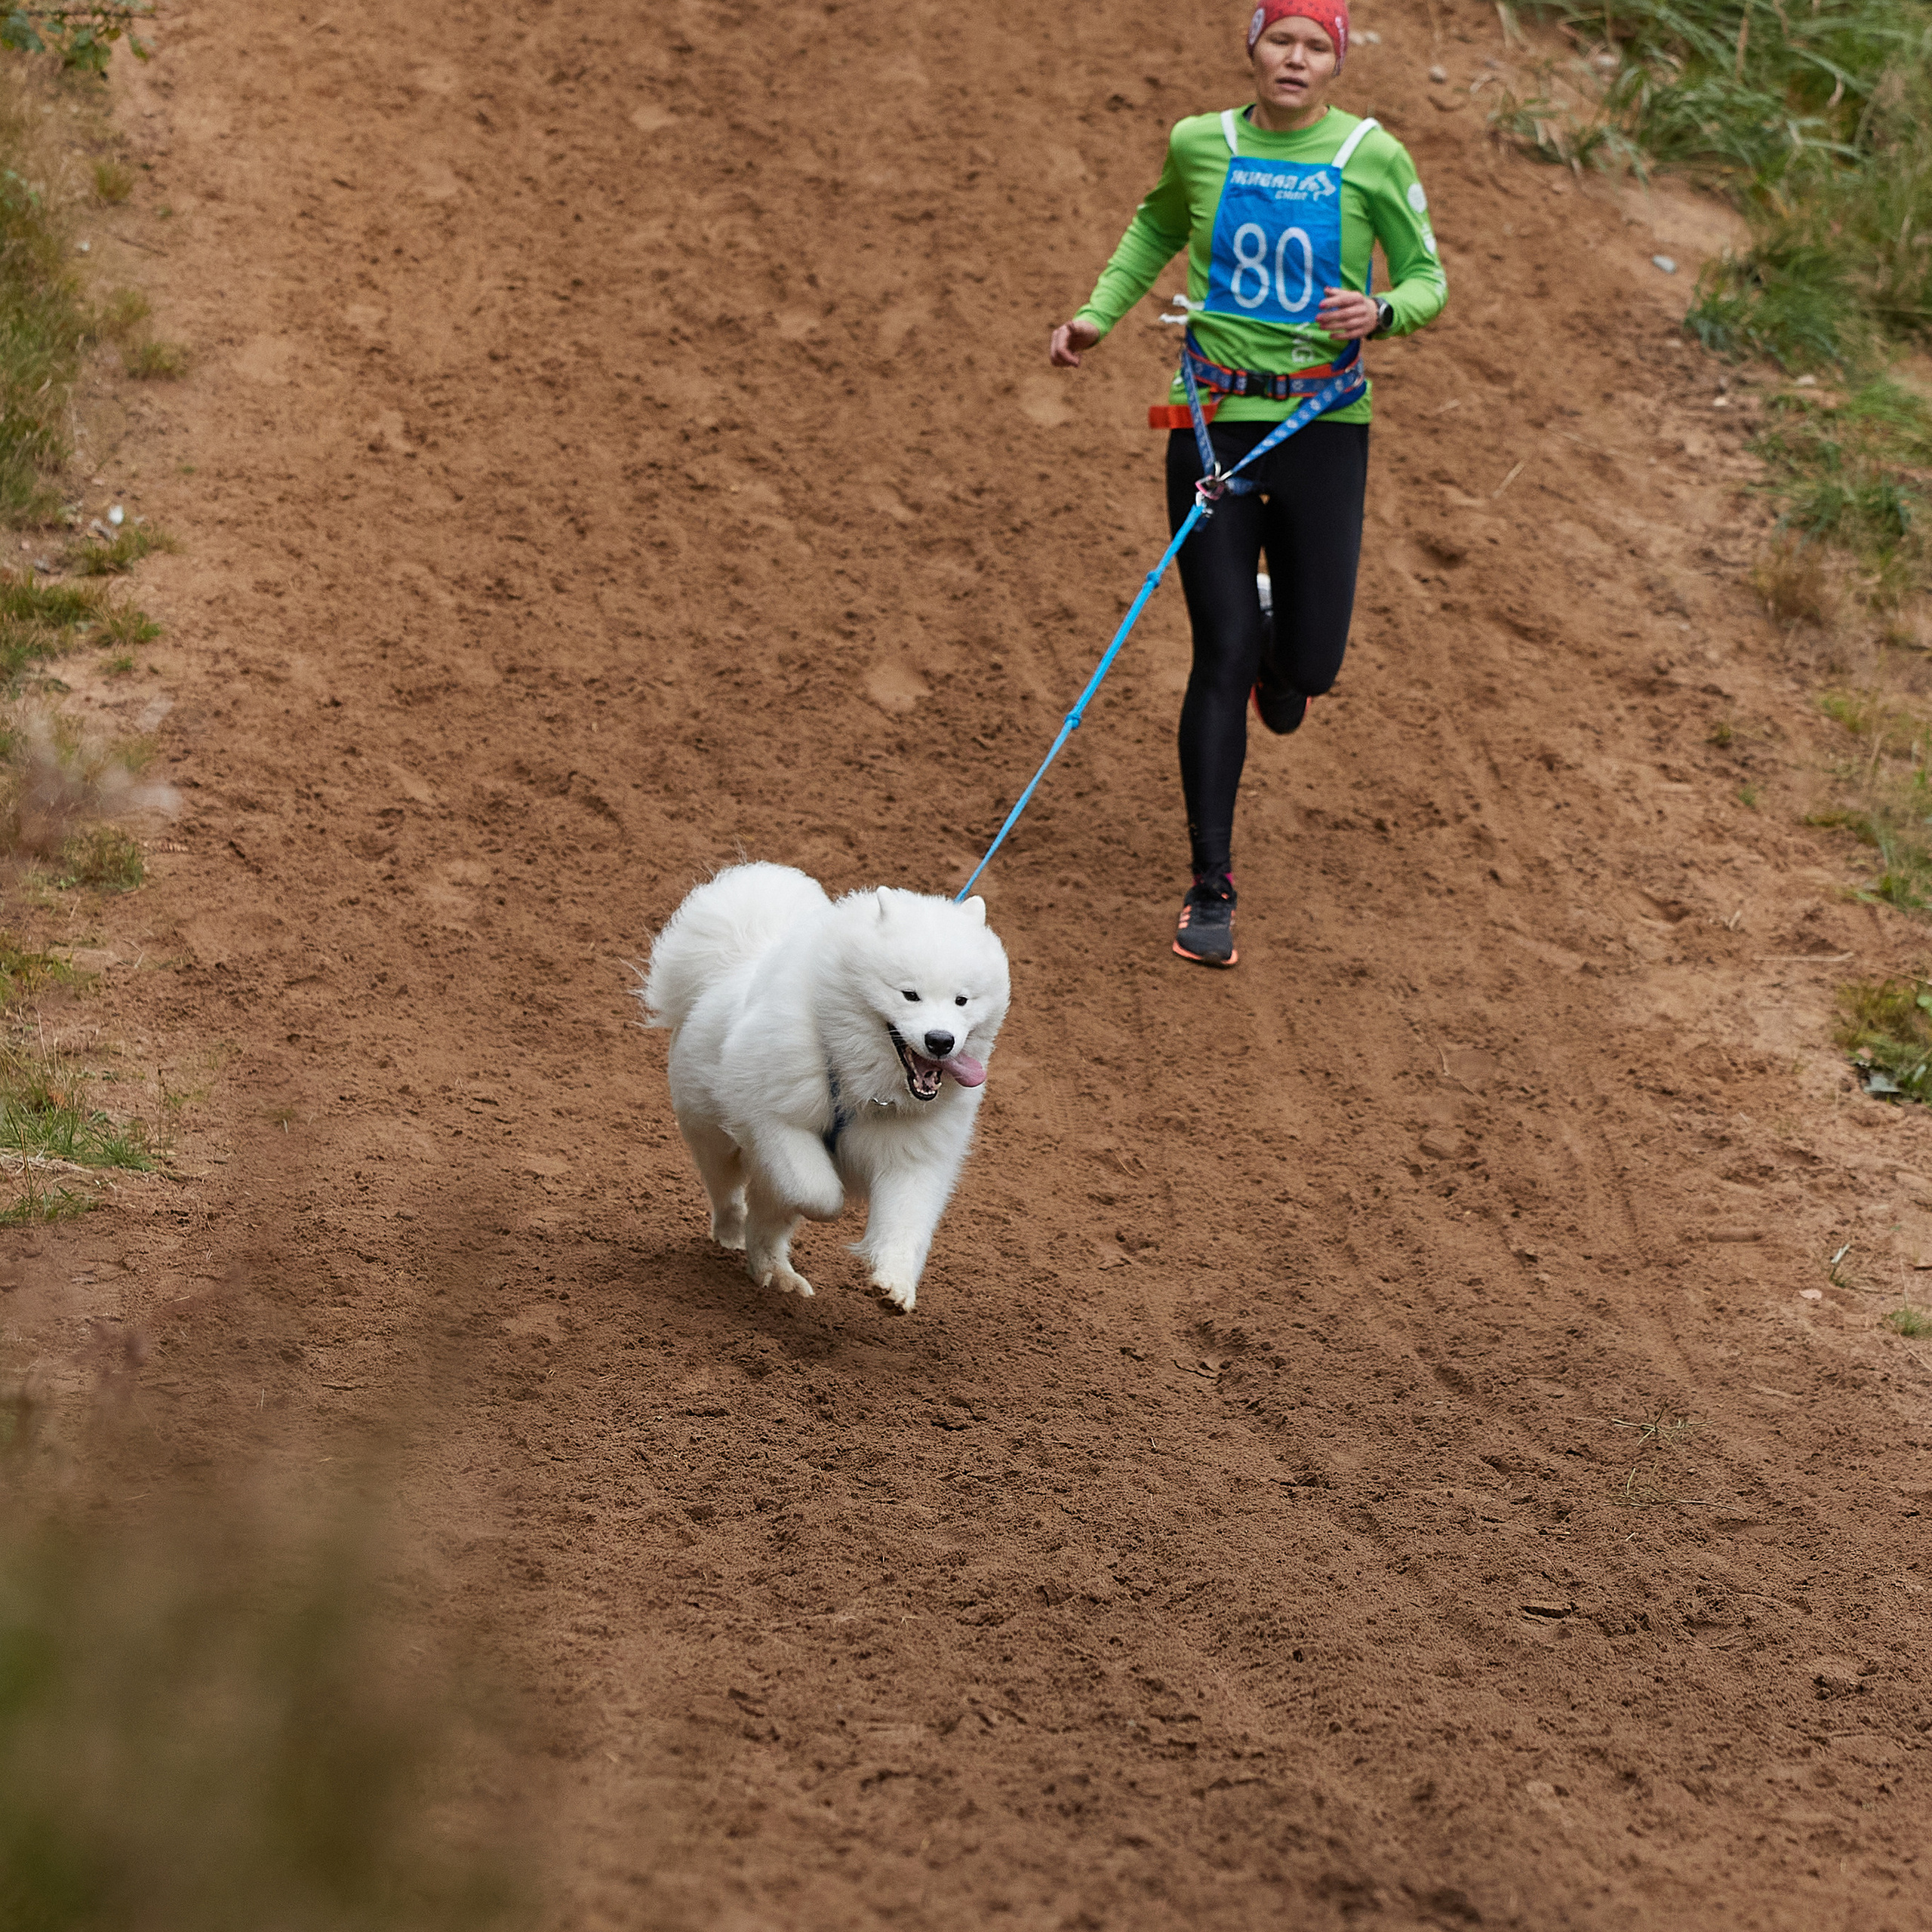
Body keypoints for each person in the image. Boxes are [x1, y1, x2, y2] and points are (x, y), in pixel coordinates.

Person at [1050, 0, 1447, 968]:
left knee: (1306, 667)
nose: (1297, 60)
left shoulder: (1371, 156)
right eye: (1282, 41)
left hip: (1322, 426)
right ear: (1253, 48)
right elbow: (1155, 226)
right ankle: (1210, 887)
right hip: (1212, 415)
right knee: (1218, 652)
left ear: (1337, 62)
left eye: (1317, 46)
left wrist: (1383, 309)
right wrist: (1099, 314)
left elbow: (1429, 278)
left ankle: (1286, 659)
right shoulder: (1200, 142)